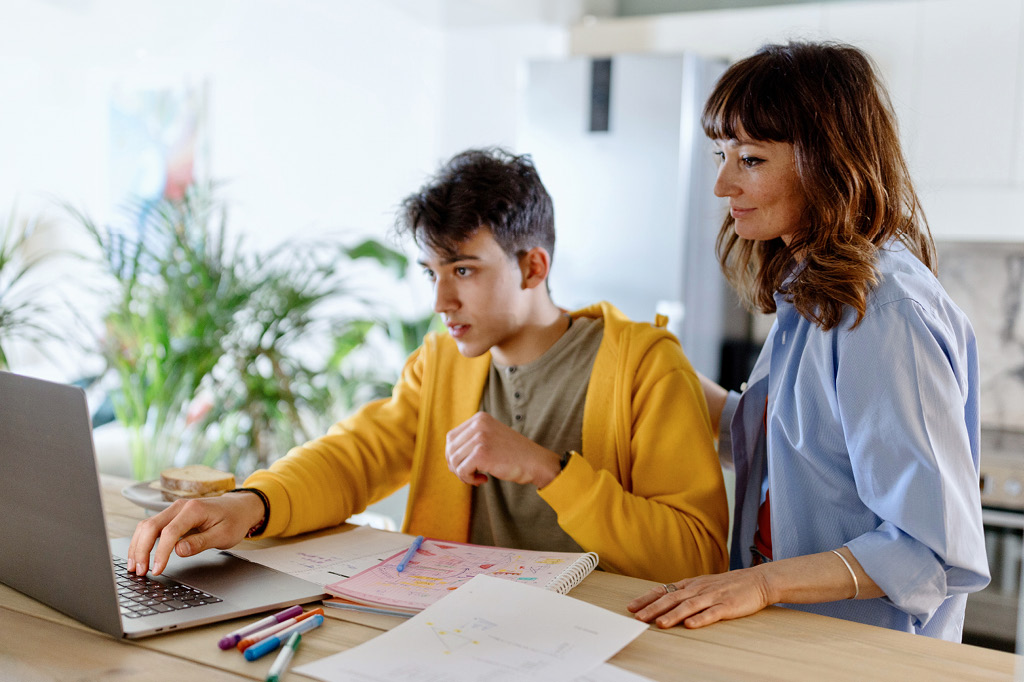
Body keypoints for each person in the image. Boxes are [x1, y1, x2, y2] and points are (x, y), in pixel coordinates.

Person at [127, 148, 729, 584]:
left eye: (464, 271)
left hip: (606, 640)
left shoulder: (647, 367)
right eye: (432, 274)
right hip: (460, 633)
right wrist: (251, 506)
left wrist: (548, 470)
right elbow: (352, 458)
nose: (441, 302)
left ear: (533, 268)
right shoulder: (442, 361)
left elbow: (695, 557)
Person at [628, 41, 989, 640]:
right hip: (800, 637)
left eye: (750, 159)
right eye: (722, 154)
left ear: (827, 160)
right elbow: (786, 445)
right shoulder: (815, 291)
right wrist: (649, 369)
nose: (721, 184)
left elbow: (927, 547)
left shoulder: (884, 311)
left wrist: (763, 583)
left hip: (867, 655)